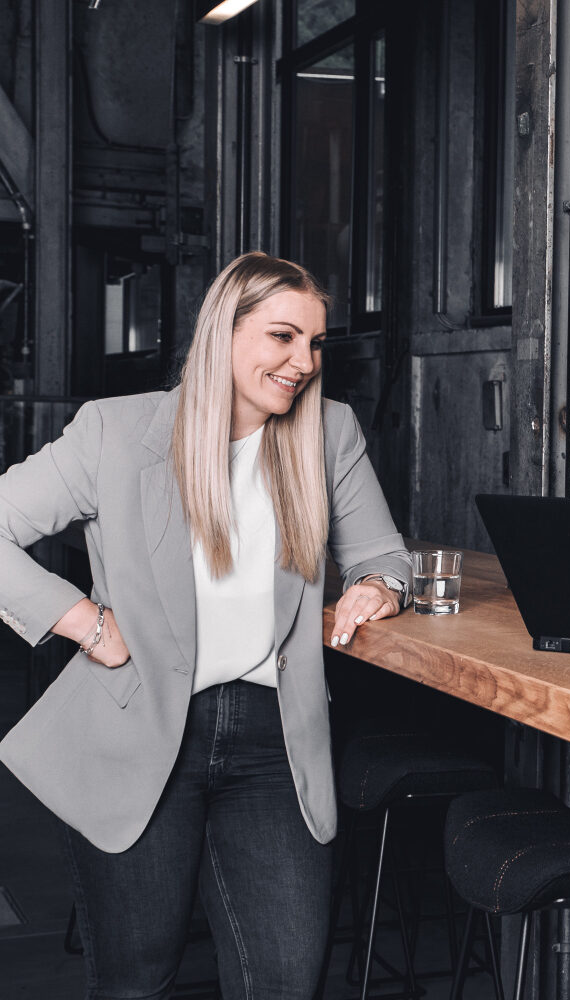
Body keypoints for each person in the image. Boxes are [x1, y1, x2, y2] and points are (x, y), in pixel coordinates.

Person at [0, 252, 411, 999]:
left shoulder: (330, 432)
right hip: (138, 725)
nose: (303, 362)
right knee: (136, 984)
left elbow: (383, 553)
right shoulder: (115, 432)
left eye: (315, 343)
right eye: (283, 336)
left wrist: (379, 586)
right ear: (224, 331)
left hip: (274, 742)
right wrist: (83, 621)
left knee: (285, 981)